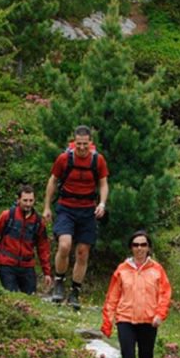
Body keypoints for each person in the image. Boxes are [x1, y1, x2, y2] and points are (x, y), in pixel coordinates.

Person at [101, 230, 172, 358]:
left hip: (149, 321)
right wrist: (108, 322)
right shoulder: (122, 269)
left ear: (148, 247)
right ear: (131, 248)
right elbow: (112, 296)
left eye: (143, 245)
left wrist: (159, 315)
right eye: (136, 245)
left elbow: (165, 294)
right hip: (125, 320)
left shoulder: (157, 269)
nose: (139, 248)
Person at [43, 125, 109, 310]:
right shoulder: (64, 159)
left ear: (90, 143)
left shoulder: (98, 161)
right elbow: (53, 181)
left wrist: (102, 203)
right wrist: (47, 206)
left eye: (85, 144)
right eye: (78, 144)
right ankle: (59, 283)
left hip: (88, 209)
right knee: (64, 245)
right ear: (74, 142)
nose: (81, 148)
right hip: (66, 207)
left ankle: (75, 292)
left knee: (82, 252)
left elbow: (103, 184)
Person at [0, 185, 52, 295]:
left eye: (31, 200)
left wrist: (47, 272)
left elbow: (43, 248)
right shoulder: (7, 216)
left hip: (27, 266)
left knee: (30, 298)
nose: (28, 204)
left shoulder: (38, 222)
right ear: (18, 200)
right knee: (13, 296)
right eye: (25, 200)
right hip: (7, 264)